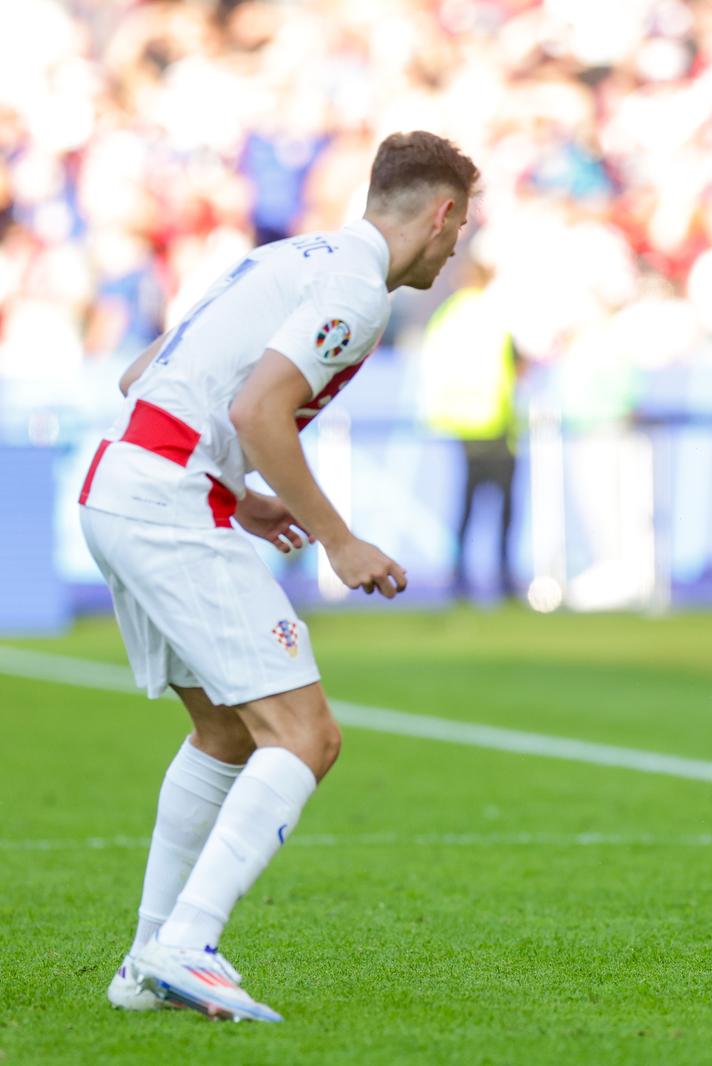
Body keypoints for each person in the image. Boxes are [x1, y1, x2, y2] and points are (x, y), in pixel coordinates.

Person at [79, 131, 478, 1021]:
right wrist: (340, 540)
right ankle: (189, 943)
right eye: (463, 228)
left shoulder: (290, 254)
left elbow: (140, 372)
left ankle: (148, 961)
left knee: (225, 731)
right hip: (169, 502)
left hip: (123, 484)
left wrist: (243, 491)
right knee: (307, 734)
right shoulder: (356, 289)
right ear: (441, 212)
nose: (457, 249)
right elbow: (258, 407)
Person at [417, 255, 523, 599]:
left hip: (459, 422)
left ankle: (459, 575)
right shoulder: (495, 315)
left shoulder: (446, 317)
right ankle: (504, 575)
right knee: (504, 505)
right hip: (495, 422)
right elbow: (515, 363)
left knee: (466, 502)